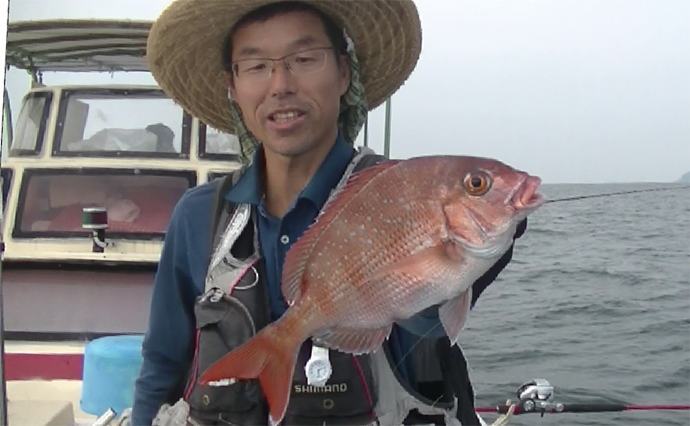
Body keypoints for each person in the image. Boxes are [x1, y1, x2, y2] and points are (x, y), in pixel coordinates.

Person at [132, 1, 529, 425]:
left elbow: (429, 328)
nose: (280, 84)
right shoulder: (197, 216)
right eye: (255, 66)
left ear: (344, 72)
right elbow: (161, 366)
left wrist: (468, 261)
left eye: (304, 59)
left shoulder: (403, 195)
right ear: (232, 86)